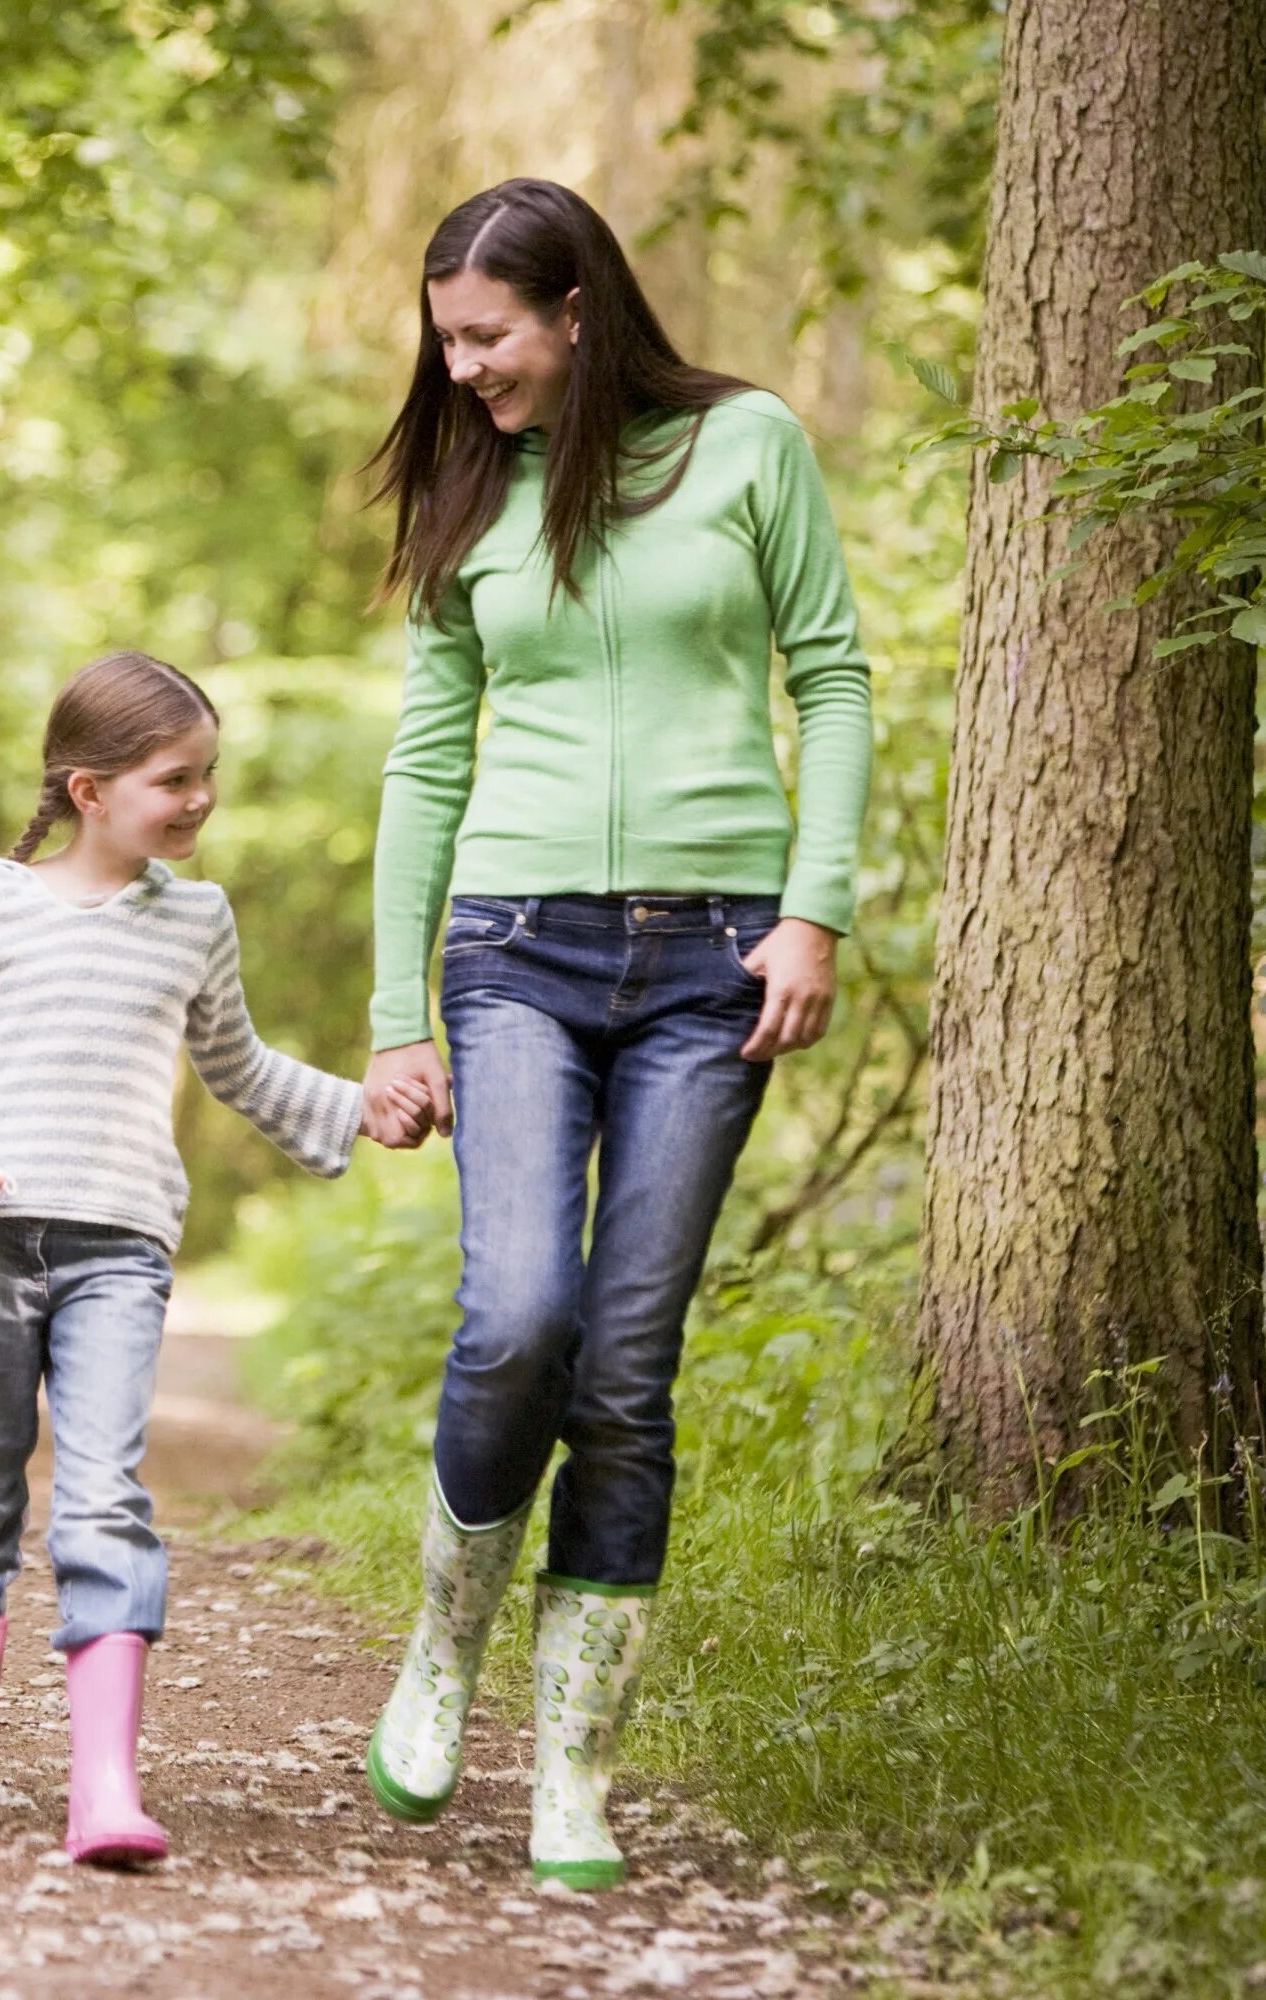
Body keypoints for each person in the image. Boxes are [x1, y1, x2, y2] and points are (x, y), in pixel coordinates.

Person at [357, 178, 872, 1891]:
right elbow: (430, 757)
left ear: (577, 311)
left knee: (629, 1371)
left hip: (718, 953)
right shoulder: (467, 488)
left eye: (485, 336)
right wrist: (390, 1019)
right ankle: (443, 1651)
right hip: (516, 948)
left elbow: (834, 679)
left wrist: (815, 909)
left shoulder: (746, 448)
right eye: (445, 339)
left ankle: (572, 1772)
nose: (463, 367)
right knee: (519, 1316)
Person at [0, 651, 433, 1866]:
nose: (199, 799)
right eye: (171, 779)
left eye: (209, 777)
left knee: (103, 1497)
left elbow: (238, 1066)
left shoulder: (195, 917)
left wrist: (359, 1106)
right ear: (87, 789)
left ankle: (105, 1787)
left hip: (117, 1252)